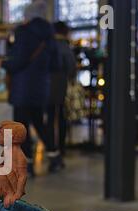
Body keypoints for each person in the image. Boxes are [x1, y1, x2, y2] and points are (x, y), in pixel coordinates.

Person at [1, 0, 60, 177]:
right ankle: (54, 156)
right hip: (41, 87)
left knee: (21, 127)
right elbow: (55, 65)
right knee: (39, 123)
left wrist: (4, 63)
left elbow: (18, 60)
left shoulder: (23, 32)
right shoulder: (50, 36)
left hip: (22, 89)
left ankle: (28, 165)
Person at [46, 21, 77, 171]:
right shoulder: (65, 47)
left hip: (46, 87)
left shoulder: (47, 45)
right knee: (62, 118)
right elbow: (72, 69)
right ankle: (61, 149)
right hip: (61, 88)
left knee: (50, 119)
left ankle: (51, 149)